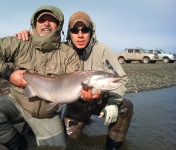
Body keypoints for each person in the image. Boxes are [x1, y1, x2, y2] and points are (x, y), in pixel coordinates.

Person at [0, 5, 92, 149]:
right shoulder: (21, 42)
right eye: (42, 20)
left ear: (59, 25)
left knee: (59, 147)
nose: (46, 23)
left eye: (51, 20)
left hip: (46, 114)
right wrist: (9, 74)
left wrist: (85, 94)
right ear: (34, 24)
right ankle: (18, 144)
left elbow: (74, 79)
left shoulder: (68, 54)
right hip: (19, 102)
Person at [15, 11, 134, 150]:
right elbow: (42, 45)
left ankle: (113, 147)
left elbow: (121, 78)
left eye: (85, 29)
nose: (80, 35)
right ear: (69, 32)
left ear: (91, 31)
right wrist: (32, 36)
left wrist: (114, 103)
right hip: (73, 100)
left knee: (126, 107)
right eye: (74, 30)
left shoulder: (103, 50)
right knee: (72, 133)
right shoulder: (61, 49)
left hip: (98, 98)